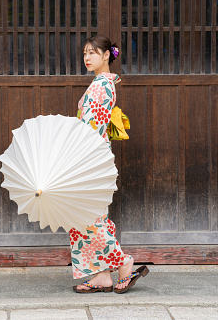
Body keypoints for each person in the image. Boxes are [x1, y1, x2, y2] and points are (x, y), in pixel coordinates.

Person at [72, 35, 149, 294]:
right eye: (84, 53)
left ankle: (124, 264)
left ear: (106, 55)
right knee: (90, 217)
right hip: (92, 155)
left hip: (91, 157)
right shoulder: (100, 83)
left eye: (93, 53)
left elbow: (93, 126)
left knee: (88, 217)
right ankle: (103, 275)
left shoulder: (102, 84)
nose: (87, 58)